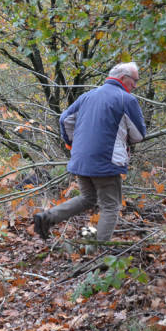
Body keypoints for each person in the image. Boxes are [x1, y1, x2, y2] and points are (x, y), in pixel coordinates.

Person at [33, 62, 146, 242]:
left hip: (81, 159)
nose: (135, 85)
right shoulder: (126, 99)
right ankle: (100, 254)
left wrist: (73, 143)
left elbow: (64, 119)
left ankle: (47, 218)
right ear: (123, 79)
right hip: (107, 161)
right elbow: (139, 135)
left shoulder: (87, 96)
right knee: (111, 206)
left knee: (87, 198)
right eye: (134, 81)